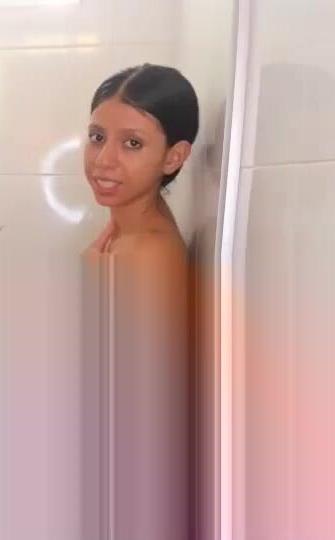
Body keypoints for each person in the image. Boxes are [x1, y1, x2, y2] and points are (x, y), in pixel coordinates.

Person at [81, 63, 198, 539]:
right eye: (97, 137)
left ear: (174, 157)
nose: (103, 160)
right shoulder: (125, 227)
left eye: (132, 144)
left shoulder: (146, 251)